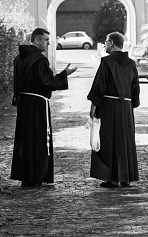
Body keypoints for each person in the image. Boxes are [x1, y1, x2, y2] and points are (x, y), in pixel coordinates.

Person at [10, 27, 77, 188]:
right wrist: (64, 74)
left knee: (26, 140)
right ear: (37, 40)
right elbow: (47, 82)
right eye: (46, 40)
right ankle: (37, 176)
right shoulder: (39, 60)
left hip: (24, 104)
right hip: (37, 105)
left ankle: (26, 176)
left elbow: (17, 82)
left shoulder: (19, 58)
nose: (48, 44)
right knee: (39, 140)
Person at [87, 32, 140, 188]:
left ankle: (112, 179)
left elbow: (100, 85)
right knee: (125, 141)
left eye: (105, 42)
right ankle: (126, 178)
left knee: (110, 140)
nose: (104, 45)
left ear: (111, 43)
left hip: (109, 108)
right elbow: (135, 87)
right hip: (126, 109)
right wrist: (133, 104)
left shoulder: (106, 62)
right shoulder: (131, 64)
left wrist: (94, 105)